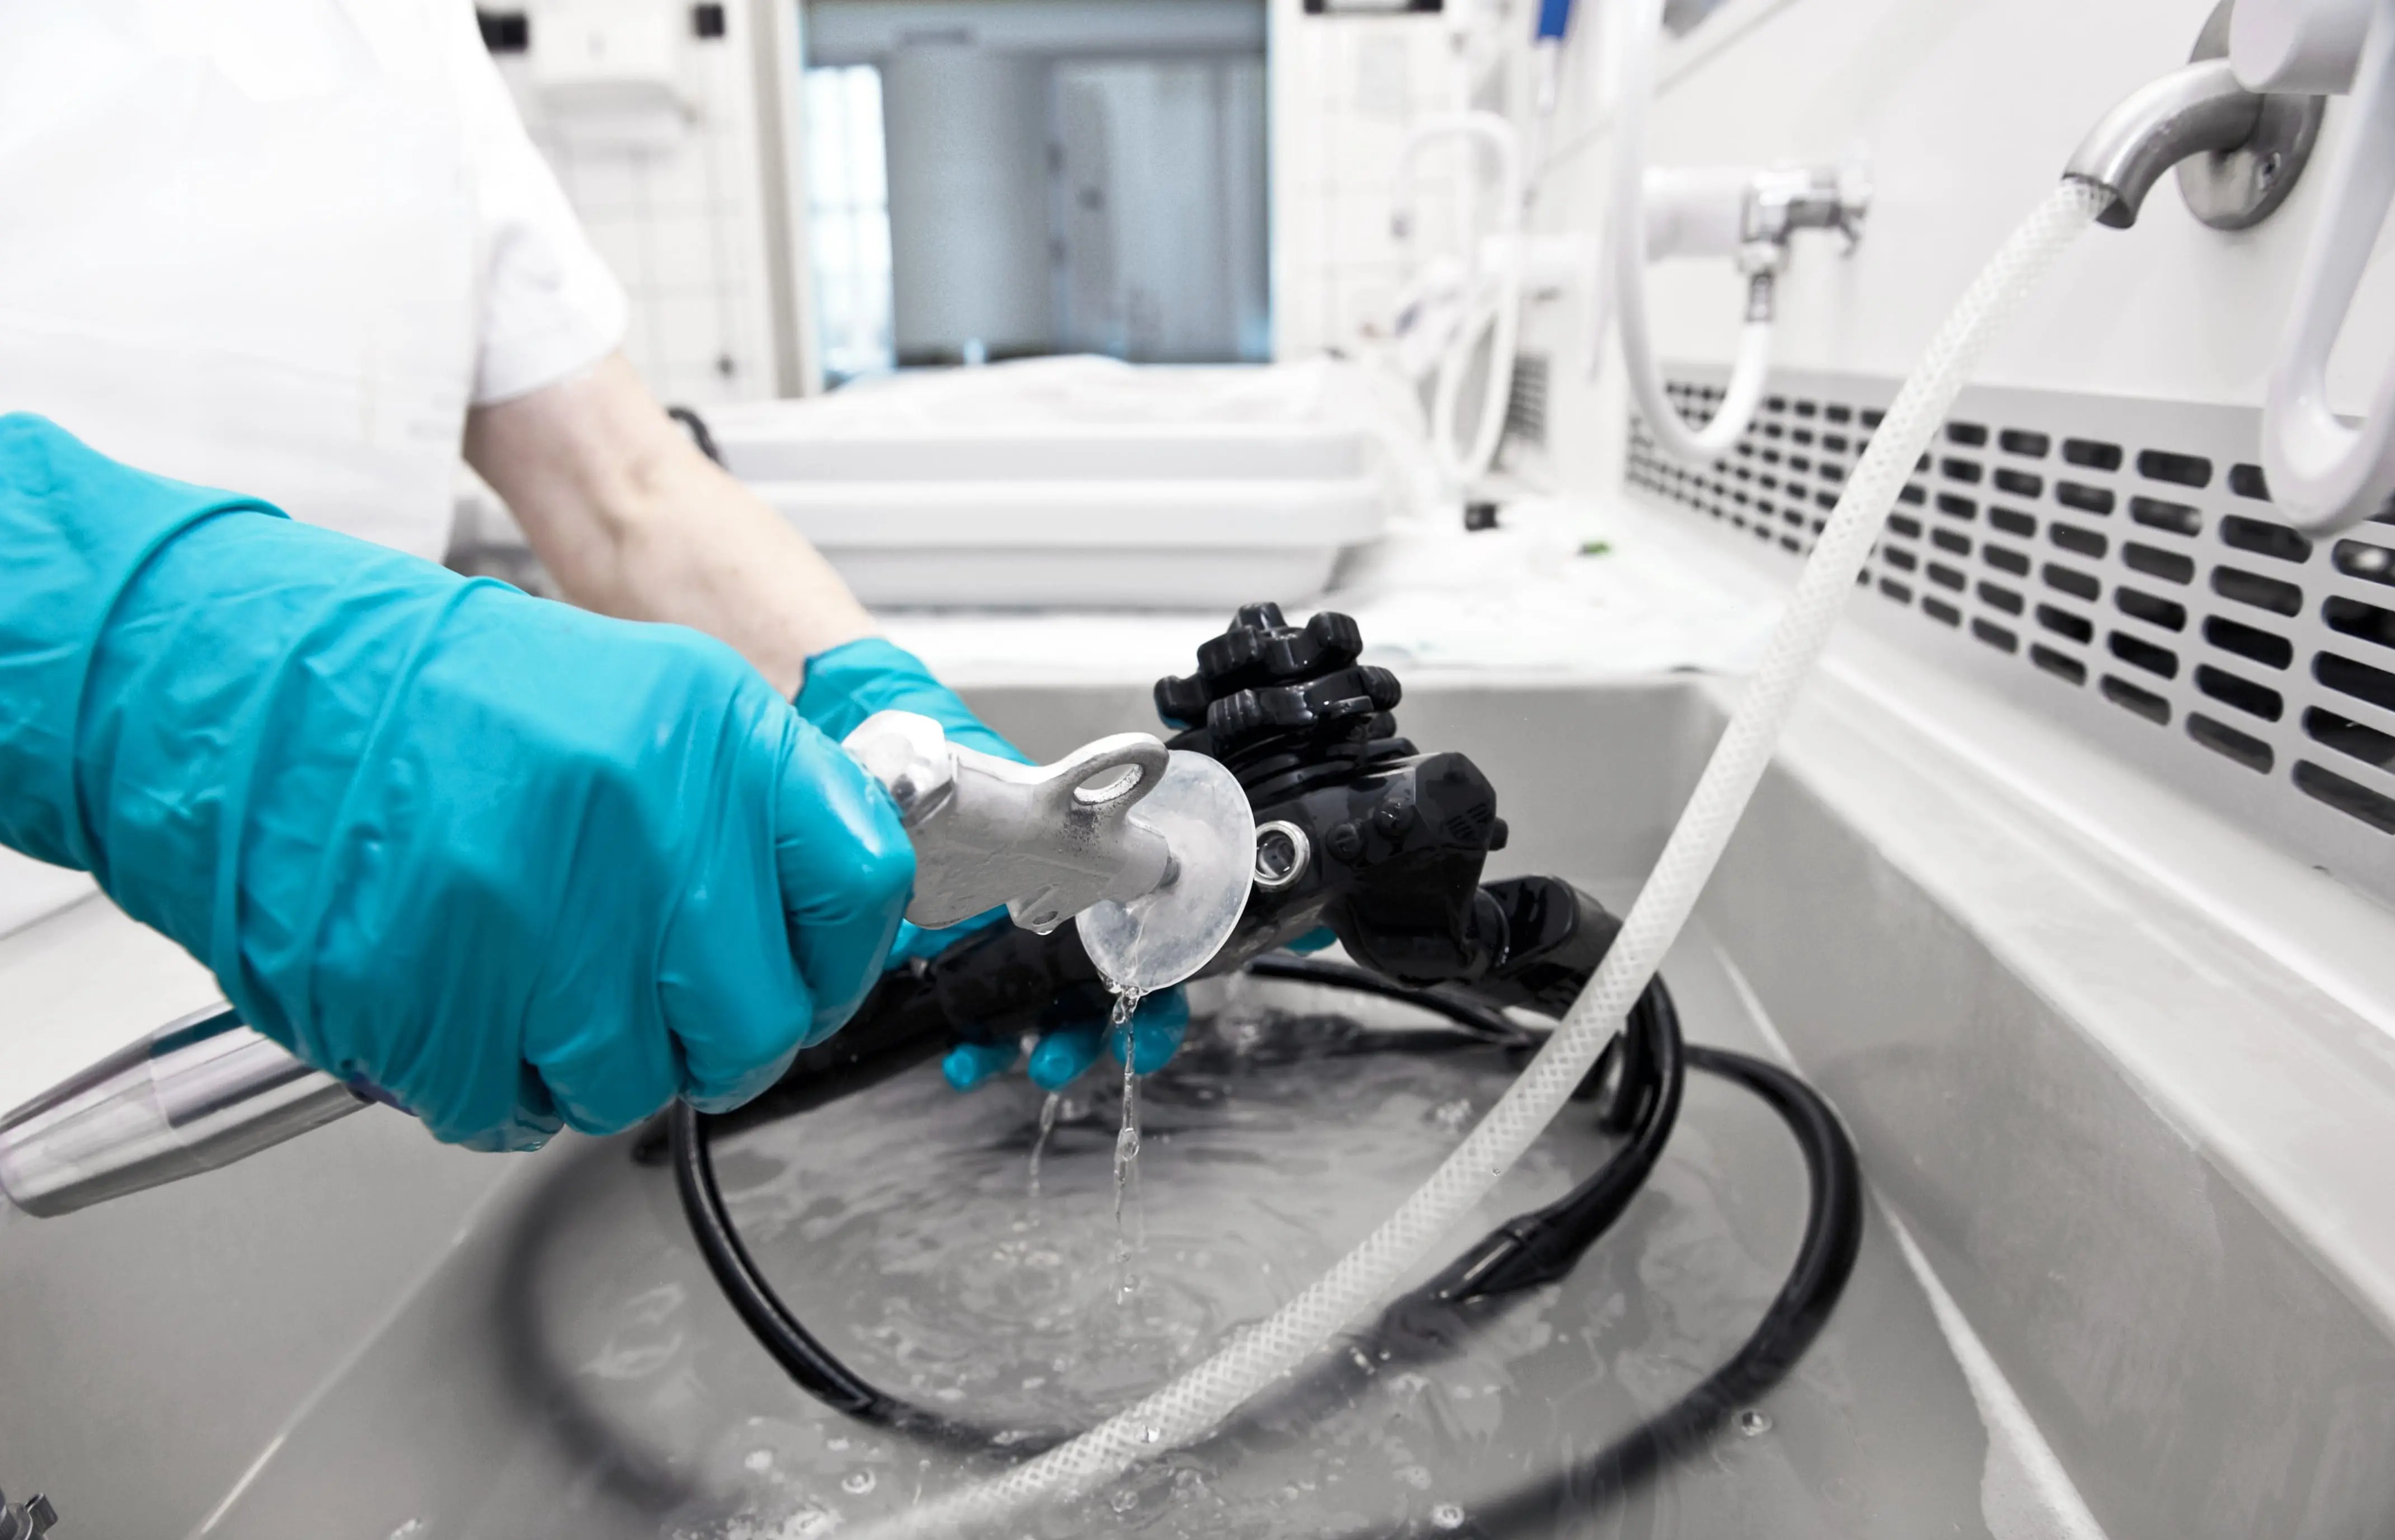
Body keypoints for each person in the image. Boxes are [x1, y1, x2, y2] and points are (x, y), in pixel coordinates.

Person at [0, 1, 1177, 1152]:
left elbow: (621, 487)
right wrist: (136, 653)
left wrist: (867, 711)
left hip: (392, 919)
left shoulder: (410, 33)